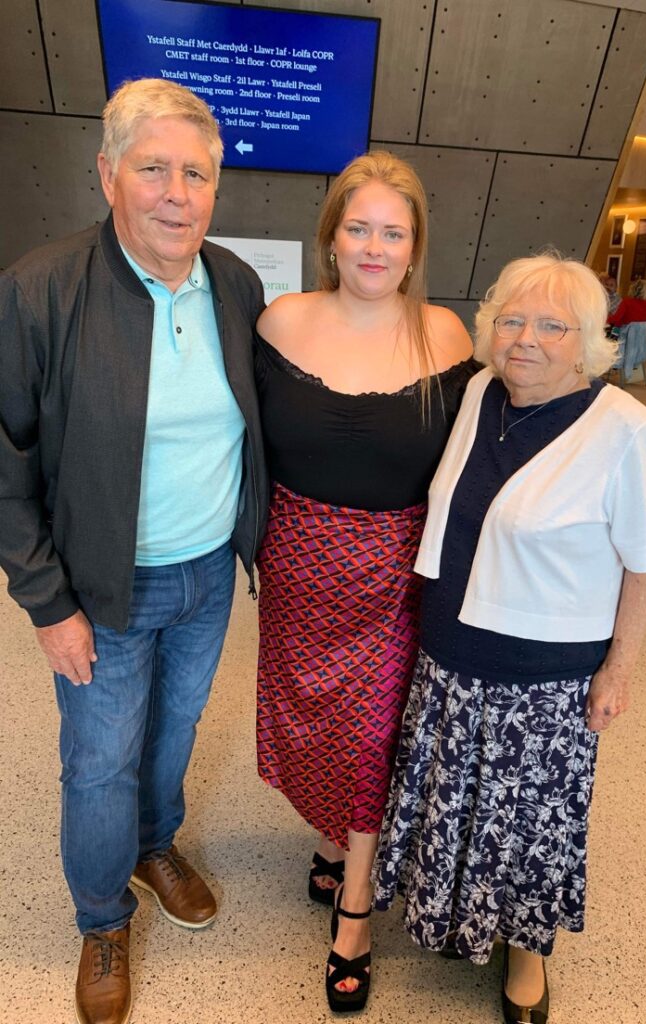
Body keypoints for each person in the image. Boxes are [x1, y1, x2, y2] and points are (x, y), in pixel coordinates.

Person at [0, 79, 268, 1024]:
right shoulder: (39, 289)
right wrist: (49, 604)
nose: (176, 193)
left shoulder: (235, 284)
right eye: (153, 168)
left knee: (176, 729)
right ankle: (101, 916)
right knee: (99, 758)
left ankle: (156, 844)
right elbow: (7, 462)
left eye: (196, 173)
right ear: (108, 173)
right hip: (101, 587)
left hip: (204, 577)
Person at [374, 253, 646, 1024]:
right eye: (511, 319)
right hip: (448, 653)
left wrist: (619, 671)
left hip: (544, 679)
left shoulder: (629, 432)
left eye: (551, 325)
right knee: (455, 798)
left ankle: (527, 954)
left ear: (588, 341)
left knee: (530, 824)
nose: (525, 339)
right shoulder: (480, 393)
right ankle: (451, 915)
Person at [254, 150, 475, 1013]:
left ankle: (354, 911)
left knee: (374, 736)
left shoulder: (448, 334)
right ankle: (335, 838)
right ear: (331, 238)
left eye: (395, 232)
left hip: (394, 578)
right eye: (360, 228)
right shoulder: (278, 321)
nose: (375, 248)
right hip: (297, 571)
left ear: (416, 248)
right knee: (308, 726)